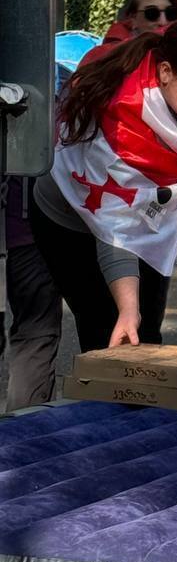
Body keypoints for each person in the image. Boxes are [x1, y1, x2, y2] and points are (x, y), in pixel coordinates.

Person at [29, 19, 177, 352]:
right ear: (165, 72)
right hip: (72, 224)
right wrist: (127, 310)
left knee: (147, 331)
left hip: (142, 214)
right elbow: (115, 231)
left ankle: (145, 398)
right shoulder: (118, 127)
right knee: (110, 331)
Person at [2, 176, 62, 411]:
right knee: (35, 337)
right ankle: (24, 432)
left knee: (34, 337)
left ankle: (21, 430)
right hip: (31, 228)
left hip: (22, 230)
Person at [79, 0, 177, 67]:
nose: (163, 21)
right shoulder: (102, 58)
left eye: (172, 13)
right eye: (151, 13)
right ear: (133, 18)